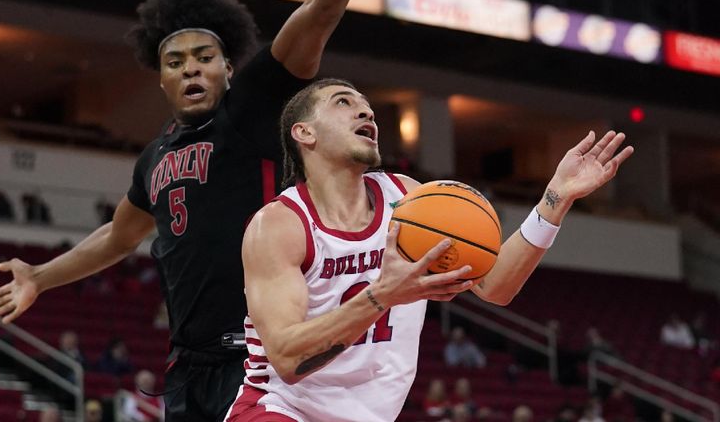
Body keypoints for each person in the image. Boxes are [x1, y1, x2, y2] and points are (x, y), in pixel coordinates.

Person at [0, 0, 425, 422]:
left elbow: (321, 8)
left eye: (204, 57)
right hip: (187, 367)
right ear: (162, 77)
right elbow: (118, 238)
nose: (191, 68)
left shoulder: (252, 107)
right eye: (176, 61)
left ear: (227, 68)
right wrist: (41, 277)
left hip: (262, 356)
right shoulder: (155, 158)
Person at [226, 79, 633, 421]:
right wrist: (383, 295)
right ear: (304, 132)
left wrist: (556, 198)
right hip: (279, 410)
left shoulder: (408, 197)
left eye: (368, 107)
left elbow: (494, 287)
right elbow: (287, 358)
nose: (366, 113)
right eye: (344, 103)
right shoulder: (278, 225)